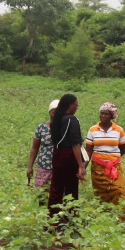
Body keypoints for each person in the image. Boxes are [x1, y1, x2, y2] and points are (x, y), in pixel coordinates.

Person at [46, 94, 88, 225]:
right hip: (69, 155)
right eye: (76, 104)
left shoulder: (56, 120)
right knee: (71, 186)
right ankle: (70, 218)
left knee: (56, 186)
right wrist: (81, 166)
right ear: (71, 105)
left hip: (57, 154)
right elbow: (76, 144)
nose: (77, 107)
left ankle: (53, 218)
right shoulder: (72, 120)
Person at [85, 102, 125, 207]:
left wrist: (112, 159)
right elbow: (88, 151)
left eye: (106, 114)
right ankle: (105, 217)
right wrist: (83, 167)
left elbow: (123, 148)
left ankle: (122, 219)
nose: (103, 116)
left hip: (114, 167)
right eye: (102, 113)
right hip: (98, 168)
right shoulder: (92, 130)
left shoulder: (119, 130)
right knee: (101, 194)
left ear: (111, 116)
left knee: (119, 192)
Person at [26, 98, 60, 190]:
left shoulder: (66, 127)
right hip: (43, 165)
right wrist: (30, 166)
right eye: (53, 111)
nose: (56, 114)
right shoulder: (41, 128)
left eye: (58, 111)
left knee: (58, 195)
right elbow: (34, 148)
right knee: (41, 193)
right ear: (49, 112)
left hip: (60, 167)